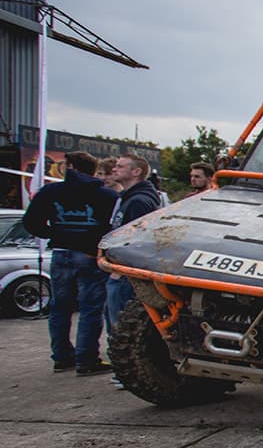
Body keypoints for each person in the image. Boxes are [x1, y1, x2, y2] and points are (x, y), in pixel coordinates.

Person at [22, 150, 118, 375]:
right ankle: (86, 360)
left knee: (60, 307)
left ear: (70, 167)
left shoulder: (51, 191)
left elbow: (31, 221)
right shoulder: (106, 195)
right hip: (89, 255)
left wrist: (55, 234)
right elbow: (115, 228)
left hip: (61, 252)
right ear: (92, 170)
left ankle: (62, 356)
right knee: (90, 308)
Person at [105, 153, 162, 329]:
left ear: (136, 172)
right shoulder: (129, 198)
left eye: (120, 166)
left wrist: (121, 270)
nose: (114, 169)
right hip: (121, 273)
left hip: (126, 276)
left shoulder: (139, 202)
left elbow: (140, 241)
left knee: (120, 328)